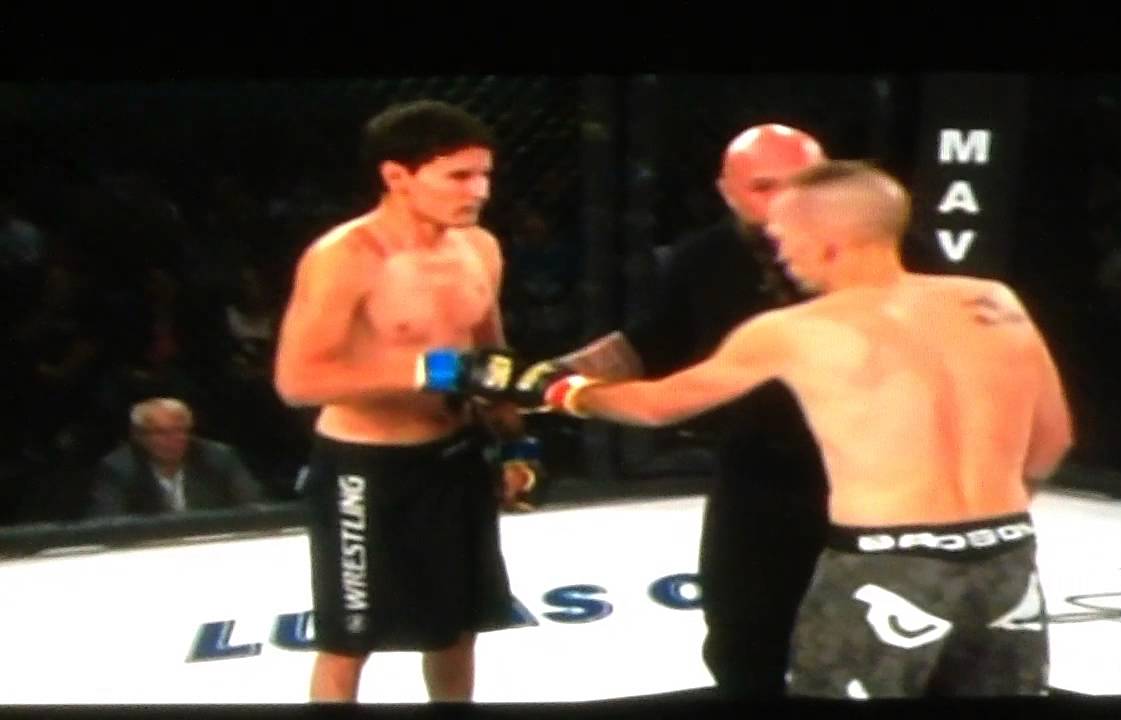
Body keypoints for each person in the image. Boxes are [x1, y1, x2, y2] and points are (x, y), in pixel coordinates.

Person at [450, 159, 1073, 698]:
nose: (780, 252)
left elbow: (657, 406)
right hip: (1007, 561)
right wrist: (980, 519)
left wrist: (559, 390)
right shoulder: (993, 301)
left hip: (887, 569)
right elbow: (1055, 438)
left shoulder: (795, 330)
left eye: (784, 235)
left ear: (827, 240)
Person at [273, 99, 538, 703]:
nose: (480, 191)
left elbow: (491, 360)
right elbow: (298, 380)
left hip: (455, 457)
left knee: (458, 629)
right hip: (367, 468)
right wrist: (432, 370)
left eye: (485, 174)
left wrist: (515, 442)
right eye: (459, 176)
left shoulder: (479, 247)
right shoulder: (345, 257)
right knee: (348, 642)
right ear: (397, 176)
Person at [555, 124, 831, 698]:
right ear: (726, 191)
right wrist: (549, 379)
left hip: (872, 479)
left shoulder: (890, 257)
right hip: (757, 469)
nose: (787, 202)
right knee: (740, 638)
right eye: (764, 187)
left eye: (804, 183)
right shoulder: (705, 258)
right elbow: (656, 342)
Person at [86, 397, 263, 517]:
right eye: (160, 432)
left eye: (180, 431)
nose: (173, 440)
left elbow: (253, 508)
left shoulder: (218, 457)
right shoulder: (118, 468)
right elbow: (109, 523)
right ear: (139, 436)